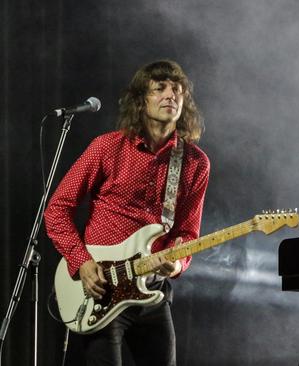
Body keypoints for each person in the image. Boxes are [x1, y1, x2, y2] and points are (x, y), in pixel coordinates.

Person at [44, 60, 210, 366]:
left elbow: (187, 231)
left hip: (151, 291)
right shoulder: (107, 147)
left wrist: (177, 262)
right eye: (160, 88)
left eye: (178, 89)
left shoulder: (195, 163)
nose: (171, 95)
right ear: (141, 99)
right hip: (101, 288)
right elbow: (57, 208)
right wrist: (81, 263)